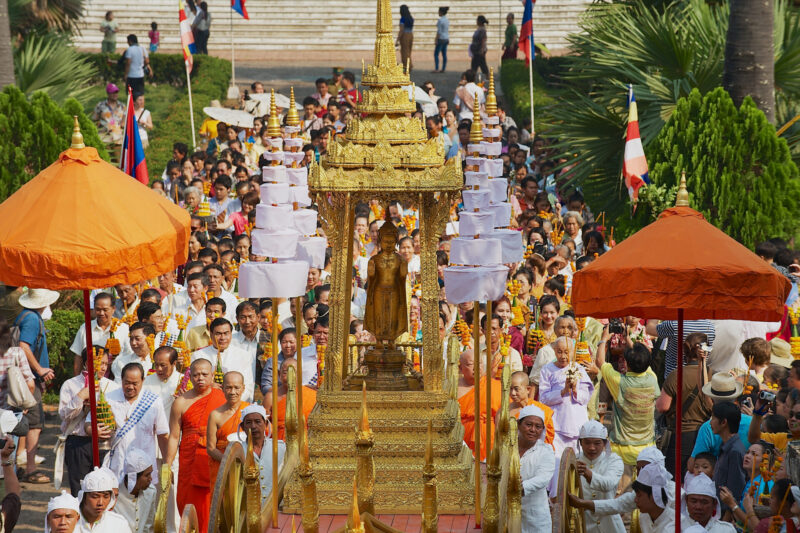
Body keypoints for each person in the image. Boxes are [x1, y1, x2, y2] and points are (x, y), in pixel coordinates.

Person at [164, 359, 225, 533]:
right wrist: (167, 465)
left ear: (212, 375)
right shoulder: (181, 402)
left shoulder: (221, 398)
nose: (200, 378)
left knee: (212, 501)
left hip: (213, 456)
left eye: (205, 374)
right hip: (189, 458)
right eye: (196, 374)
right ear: (189, 376)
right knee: (187, 499)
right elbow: (174, 436)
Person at [88, 363, 168, 487]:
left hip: (144, 469)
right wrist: (93, 430)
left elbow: (162, 434)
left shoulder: (153, 401)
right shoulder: (108, 398)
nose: (130, 387)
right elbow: (88, 423)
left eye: (135, 383)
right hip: (117, 465)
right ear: (121, 379)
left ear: (143, 380)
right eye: (127, 382)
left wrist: (166, 464)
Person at [597, 341, 660, 487]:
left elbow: (600, 361)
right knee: (644, 500)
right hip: (647, 451)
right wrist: (630, 340)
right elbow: (643, 360)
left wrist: (604, 338)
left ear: (627, 363)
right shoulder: (652, 379)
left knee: (621, 500)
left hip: (621, 452)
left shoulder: (619, 382)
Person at [14, 288, 59, 484]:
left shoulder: (24, 315)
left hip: (24, 378)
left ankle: (18, 465)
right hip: (27, 379)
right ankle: (30, 469)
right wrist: (39, 370)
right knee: (34, 424)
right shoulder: (32, 319)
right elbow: (24, 346)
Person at [656, 331, 713, 476]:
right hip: (706, 436)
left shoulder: (676, 375)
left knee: (676, 482)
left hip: (680, 436)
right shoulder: (712, 375)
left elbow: (663, 406)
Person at [538, 337, 594, 455]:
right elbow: (543, 398)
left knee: (577, 461)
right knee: (557, 462)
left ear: (573, 352)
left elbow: (585, 397)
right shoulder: (547, 370)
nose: (563, 356)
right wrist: (562, 392)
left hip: (577, 422)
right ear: (554, 351)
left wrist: (575, 390)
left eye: (566, 352)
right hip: (557, 424)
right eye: (559, 352)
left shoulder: (578, 369)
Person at [228, 405, 286, 504]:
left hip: (277, 507)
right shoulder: (237, 451)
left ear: (266, 424)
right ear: (242, 427)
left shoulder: (280, 447)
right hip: (248, 509)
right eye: (249, 423)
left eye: (258, 421)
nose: (253, 426)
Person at [575, 421, 625, 533]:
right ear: (580, 443)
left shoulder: (614, 460)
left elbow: (608, 484)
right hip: (583, 524)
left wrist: (587, 473)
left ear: (604, 444)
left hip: (609, 523)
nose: (592, 448)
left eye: (597, 443)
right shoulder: (573, 461)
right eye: (587, 443)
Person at [192, 318, 257, 402]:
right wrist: (208, 386)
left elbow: (248, 387)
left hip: (235, 405)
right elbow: (193, 383)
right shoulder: (198, 355)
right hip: (205, 402)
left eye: (226, 333)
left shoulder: (244, 356)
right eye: (218, 334)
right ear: (211, 334)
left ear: (231, 334)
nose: (222, 338)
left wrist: (231, 402)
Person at [457, 348, 502, 461]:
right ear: (460, 368)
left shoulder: (494, 386)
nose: (477, 367)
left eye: (480, 363)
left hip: (490, 440)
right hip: (462, 439)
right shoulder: (452, 388)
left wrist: (500, 443)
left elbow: (502, 417)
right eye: (471, 364)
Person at [518, 404, 555, 533]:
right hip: (506, 514)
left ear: (542, 430)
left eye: (538, 426)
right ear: (518, 425)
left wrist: (519, 487)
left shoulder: (546, 451)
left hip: (536, 519)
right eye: (528, 425)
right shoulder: (506, 448)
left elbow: (543, 478)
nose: (533, 429)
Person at [206, 371, 248, 484]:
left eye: (236, 387)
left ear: (243, 388)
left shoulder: (250, 411)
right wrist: (229, 461)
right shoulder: (216, 415)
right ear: (223, 388)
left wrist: (244, 462)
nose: (232, 392)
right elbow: (210, 448)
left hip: (247, 465)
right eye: (228, 388)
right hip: (222, 465)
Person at [264, 358, 317, 440]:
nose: (290, 376)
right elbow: (263, 425)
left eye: (294, 372)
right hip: (279, 445)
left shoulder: (313, 395)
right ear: (279, 374)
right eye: (285, 372)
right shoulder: (271, 397)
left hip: (306, 444)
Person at [710, 400, 748, 518]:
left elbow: (734, 491)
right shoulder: (727, 446)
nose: (710, 422)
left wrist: (725, 522)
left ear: (723, 422)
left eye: (713, 418)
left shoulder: (735, 451)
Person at [76, 467, 132, 533]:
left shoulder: (119, 523)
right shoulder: (69, 520)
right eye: (95, 496)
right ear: (83, 497)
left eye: (106, 496)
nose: (100, 503)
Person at [113, 449, 156, 533]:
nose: (150, 479)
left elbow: (148, 526)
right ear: (133, 477)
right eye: (147, 475)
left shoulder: (151, 492)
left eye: (150, 474)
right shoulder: (114, 494)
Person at [508, 371, 554, 444]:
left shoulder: (540, 410)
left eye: (516, 389)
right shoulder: (507, 411)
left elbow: (547, 438)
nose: (512, 393)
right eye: (510, 389)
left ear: (528, 389)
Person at [632, 462, 674, 532]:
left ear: (654, 495)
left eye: (639, 495)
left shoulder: (674, 524)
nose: (636, 500)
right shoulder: (644, 517)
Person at [143, 346, 181, 415]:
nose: (159, 369)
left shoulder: (182, 381)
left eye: (163, 365)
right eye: (156, 365)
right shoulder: (147, 381)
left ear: (174, 363)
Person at [396, 5, 414, 73]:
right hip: (411, 34)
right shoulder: (410, 18)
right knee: (409, 51)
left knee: (404, 52)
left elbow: (401, 30)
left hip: (405, 36)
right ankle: (410, 65)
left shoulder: (403, 19)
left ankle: (407, 67)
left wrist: (397, 39)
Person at [433, 6, 449, 73]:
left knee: (436, 54)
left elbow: (439, 31)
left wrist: (436, 39)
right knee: (444, 54)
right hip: (446, 38)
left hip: (441, 38)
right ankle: (443, 68)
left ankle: (437, 68)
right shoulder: (447, 20)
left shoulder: (440, 20)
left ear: (441, 12)